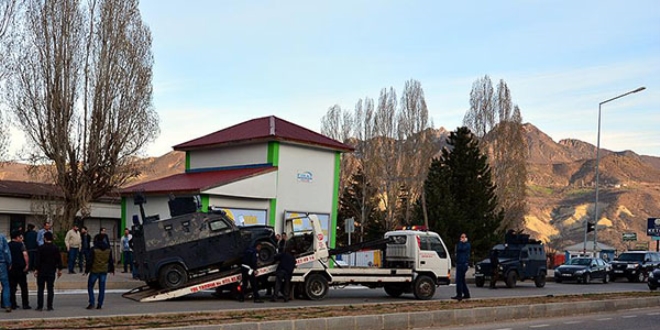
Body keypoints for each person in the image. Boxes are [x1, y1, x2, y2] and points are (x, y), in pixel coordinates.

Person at [85, 234, 115, 309]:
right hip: (104, 270)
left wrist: (86, 270)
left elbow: (90, 261)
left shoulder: (94, 249)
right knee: (102, 287)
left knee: (90, 286)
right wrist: (112, 269)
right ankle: (100, 304)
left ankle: (92, 302)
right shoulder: (108, 249)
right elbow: (110, 260)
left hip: (95, 270)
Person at [34, 231, 62, 311]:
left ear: (44, 238)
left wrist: (36, 269)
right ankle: (49, 306)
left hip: (42, 270)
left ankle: (40, 306)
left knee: (40, 289)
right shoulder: (55, 248)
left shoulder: (41, 248)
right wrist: (59, 269)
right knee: (50, 288)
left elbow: (38, 260)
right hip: (51, 270)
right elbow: (58, 260)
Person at [8, 231, 30, 310]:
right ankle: (25, 304)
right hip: (21, 268)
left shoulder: (8, 245)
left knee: (12, 287)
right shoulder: (21, 245)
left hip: (11, 268)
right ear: (17, 237)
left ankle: (13, 304)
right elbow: (25, 255)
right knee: (23, 287)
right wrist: (27, 265)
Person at [451, 233, 471, 301]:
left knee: (459, 280)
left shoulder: (467, 244)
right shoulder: (460, 244)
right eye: (461, 237)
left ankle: (459, 294)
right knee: (462, 280)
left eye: (463, 237)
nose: (462, 238)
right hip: (459, 263)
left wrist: (462, 242)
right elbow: (458, 249)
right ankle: (466, 294)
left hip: (463, 264)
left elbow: (461, 249)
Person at [0, 232, 11, 312]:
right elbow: (6, 251)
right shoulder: (2, 237)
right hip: (2, 263)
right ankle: (7, 304)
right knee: (6, 285)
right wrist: (9, 262)